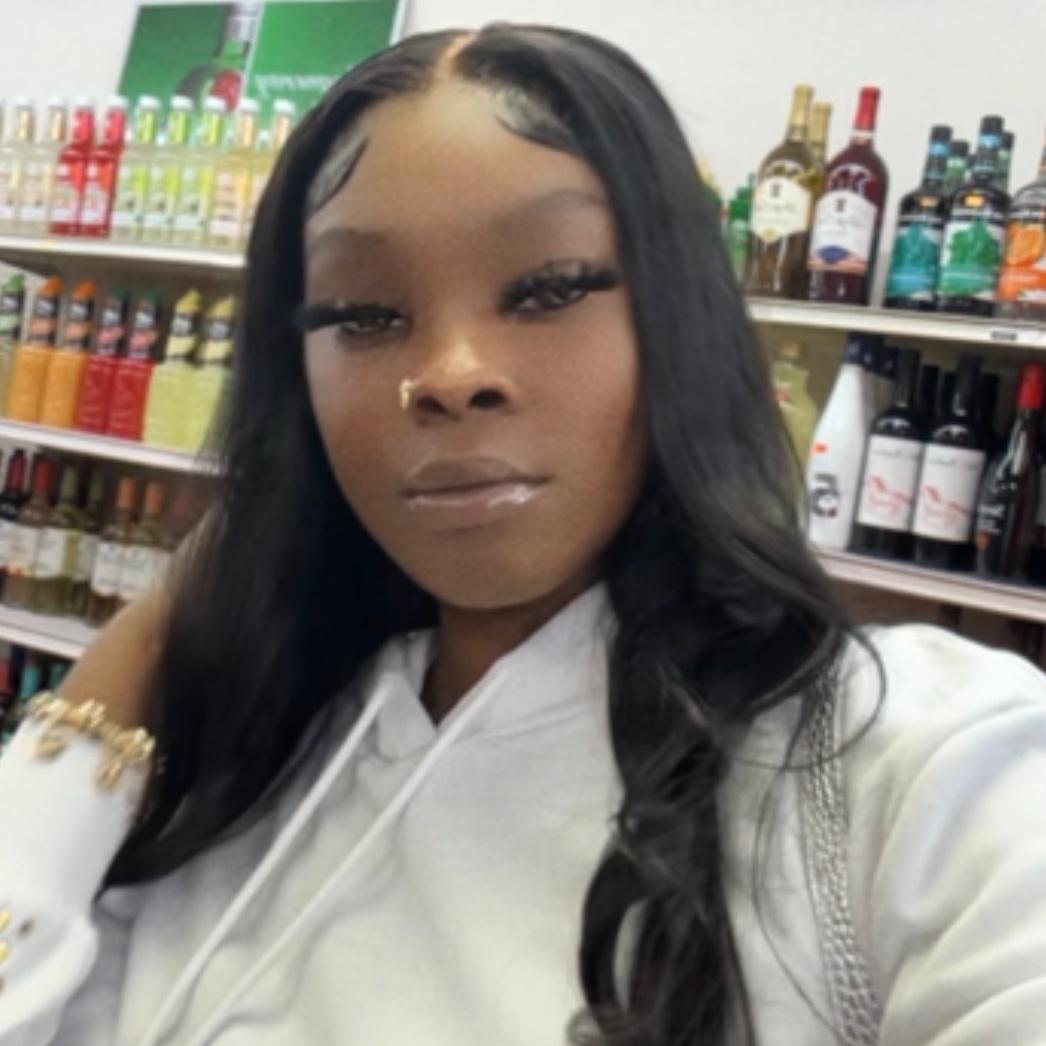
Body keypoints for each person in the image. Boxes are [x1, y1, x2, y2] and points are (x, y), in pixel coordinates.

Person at [0, 23, 1044, 1046]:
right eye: (363, 314)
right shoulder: (250, 756)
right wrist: (149, 641)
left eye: (549, 289)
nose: (452, 376)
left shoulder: (915, 768)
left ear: (677, 317)